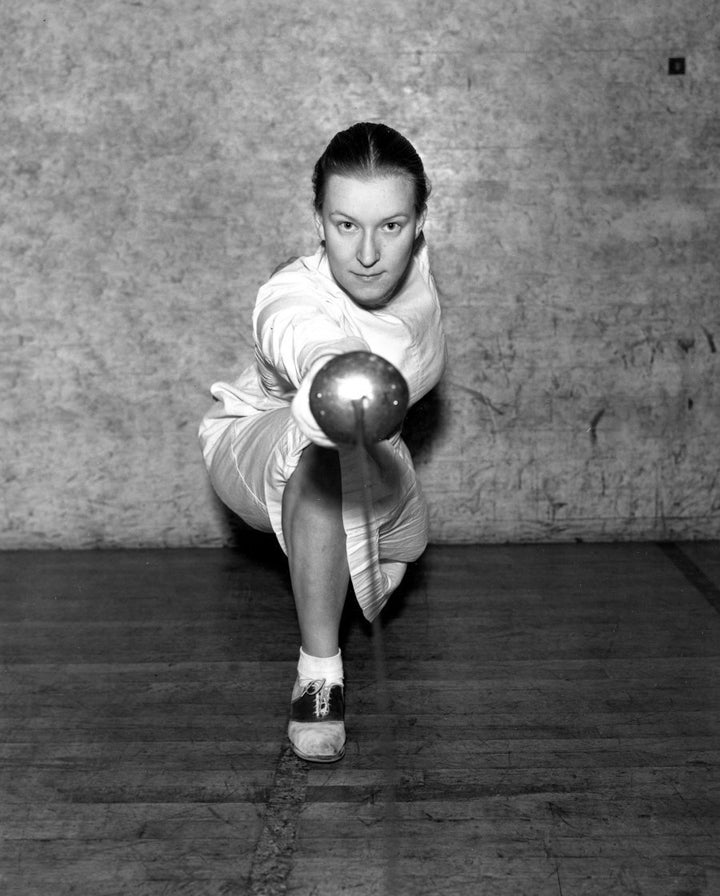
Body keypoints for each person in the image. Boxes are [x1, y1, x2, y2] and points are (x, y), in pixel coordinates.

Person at [199, 122, 446, 762]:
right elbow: (299, 334)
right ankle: (319, 677)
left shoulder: (418, 281)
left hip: (370, 445)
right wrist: (324, 370)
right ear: (318, 222)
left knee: (405, 541)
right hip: (258, 439)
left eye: (389, 226)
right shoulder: (292, 292)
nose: (366, 252)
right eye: (344, 226)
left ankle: (375, 555)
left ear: (421, 222)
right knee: (326, 458)